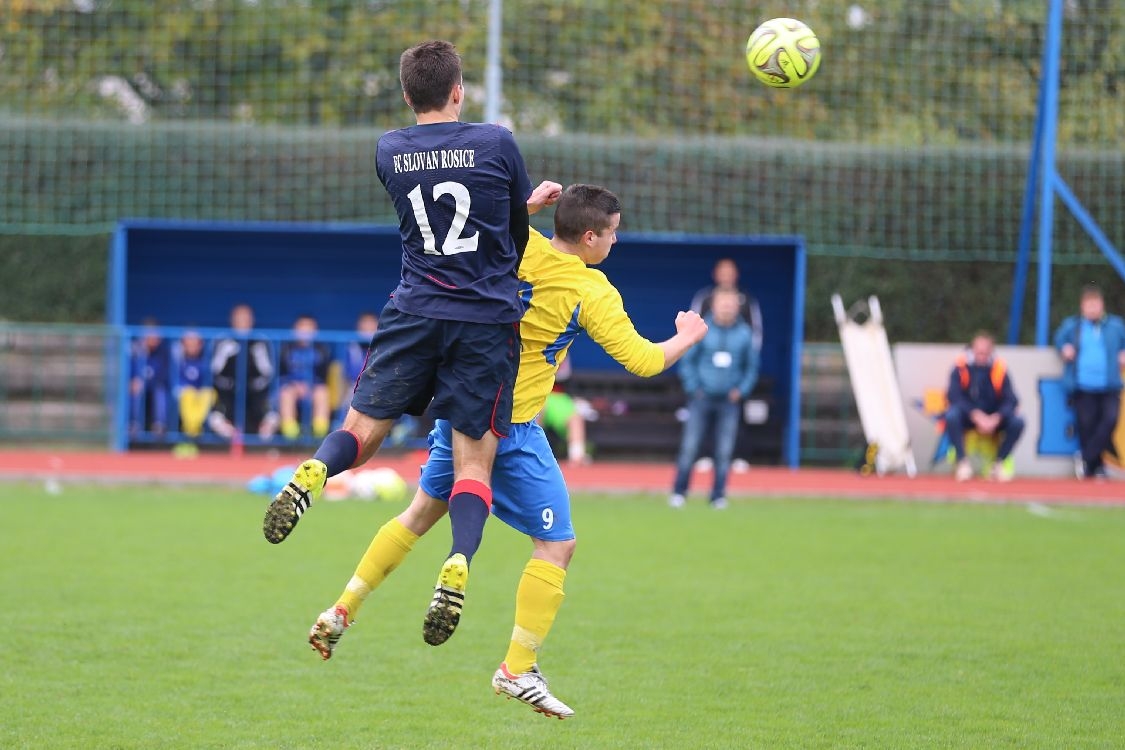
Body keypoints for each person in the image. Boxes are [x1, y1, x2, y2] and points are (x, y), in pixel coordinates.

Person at [304, 183, 708, 719]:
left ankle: (342, 609)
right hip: (511, 427)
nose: (615, 242)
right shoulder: (592, 291)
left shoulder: (520, 245)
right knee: (557, 544)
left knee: (421, 512)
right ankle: (517, 669)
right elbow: (644, 361)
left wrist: (527, 208)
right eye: (612, 233)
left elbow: (474, 226)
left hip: (461, 407)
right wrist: (687, 335)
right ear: (590, 237)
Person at [263, 40, 542, 651]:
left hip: (414, 310)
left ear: (406, 94)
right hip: (484, 321)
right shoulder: (498, 142)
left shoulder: (388, 149)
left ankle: (314, 469)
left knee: (360, 435)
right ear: (459, 90)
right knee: (473, 465)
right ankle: (459, 559)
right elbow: (515, 232)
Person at [669, 288, 759, 509]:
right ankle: (679, 492)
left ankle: (718, 495)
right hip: (701, 398)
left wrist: (741, 390)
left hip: (729, 401)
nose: (727, 307)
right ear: (714, 305)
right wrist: (694, 388)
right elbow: (687, 361)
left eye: (730, 303)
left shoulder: (745, 334)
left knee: (724, 450)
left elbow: (751, 368)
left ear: (737, 306)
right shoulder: (701, 330)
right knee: (690, 446)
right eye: (723, 303)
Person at [1053, 283, 1125, 479]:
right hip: (1083, 385)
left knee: (1110, 420)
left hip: (1109, 384)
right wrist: (1064, 349)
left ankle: (1085, 457)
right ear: (1082, 306)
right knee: (1087, 425)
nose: (1093, 309)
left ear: (1102, 305)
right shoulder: (1073, 326)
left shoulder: (1115, 326)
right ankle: (1095, 467)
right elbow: (1058, 340)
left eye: (1096, 304)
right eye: (1089, 305)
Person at [944, 331, 1024, 482]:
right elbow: (954, 396)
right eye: (978, 352)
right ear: (972, 350)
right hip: (968, 416)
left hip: (993, 417)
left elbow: (1011, 399)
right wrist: (975, 415)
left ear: (991, 352)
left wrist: (997, 417)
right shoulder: (960, 367)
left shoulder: (1000, 368)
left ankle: (998, 464)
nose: (981, 356)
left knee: (1018, 421)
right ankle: (963, 463)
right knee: (951, 415)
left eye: (985, 353)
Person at [207, 303, 279, 440]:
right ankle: (233, 440)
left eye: (246, 319)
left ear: (252, 320)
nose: (242, 323)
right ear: (232, 320)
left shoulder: (260, 341)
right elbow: (213, 372)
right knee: (214, 417)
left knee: (272, 416)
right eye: (239, 319)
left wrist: (257, 357)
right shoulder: (221, 340)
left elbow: (268, 373)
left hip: (255, 394)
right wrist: (224, 354)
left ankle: (261, 446)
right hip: (227, 393)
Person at [278, 314, 334, 440]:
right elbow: (281, 374)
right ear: (294, 329)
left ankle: (319, 434)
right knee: (286, 394)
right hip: (292, 386)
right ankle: (291, 436)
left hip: (313, 387)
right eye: (302, 326)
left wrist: (309, 386)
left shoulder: (322, 349)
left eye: (309, 327)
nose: (305, 331)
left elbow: (323, 377)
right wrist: (294, 385)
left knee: (322, 393)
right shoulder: (286, 348)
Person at [690, 257, 763, 352]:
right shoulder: (704, 297)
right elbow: (692, 326)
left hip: (738, 354)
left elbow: (756, 331)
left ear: (737, 274)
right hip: (707, 353)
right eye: (723, 273)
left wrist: (751, 352)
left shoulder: (747, 300)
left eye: (730, 273)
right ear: (715, 274)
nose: (726, 277)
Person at [335, 311, 380, 428]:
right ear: (359, 327)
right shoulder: (351, 348)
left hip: (379, 387)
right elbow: (345, 377)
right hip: (355, 388)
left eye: (372, 324)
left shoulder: (384, 347)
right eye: (365, 324)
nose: (368, 328)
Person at [129, 319, 171, 437]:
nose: (153, 338)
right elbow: (128, 372)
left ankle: (160, 426)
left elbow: (164, 375)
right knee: (134, 390)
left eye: (156, 334)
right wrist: (132, 381)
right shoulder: (134, 351)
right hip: (138, 388)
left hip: (155, 387)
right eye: (150, 334)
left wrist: (147, 382)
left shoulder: (163, 352)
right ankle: (133, 424)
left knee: (160, 392)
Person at [172, 329, 213, 445]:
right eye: (188, 344)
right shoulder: (178, 361)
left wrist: (199, 391)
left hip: (200, 393)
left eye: (195, 343)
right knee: (188, 395)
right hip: (185, 392)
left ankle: (193, 432)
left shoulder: (204, 361)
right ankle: (191, 433)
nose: (191, 347)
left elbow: (207, 381)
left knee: (207, 395)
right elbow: (176, 382)